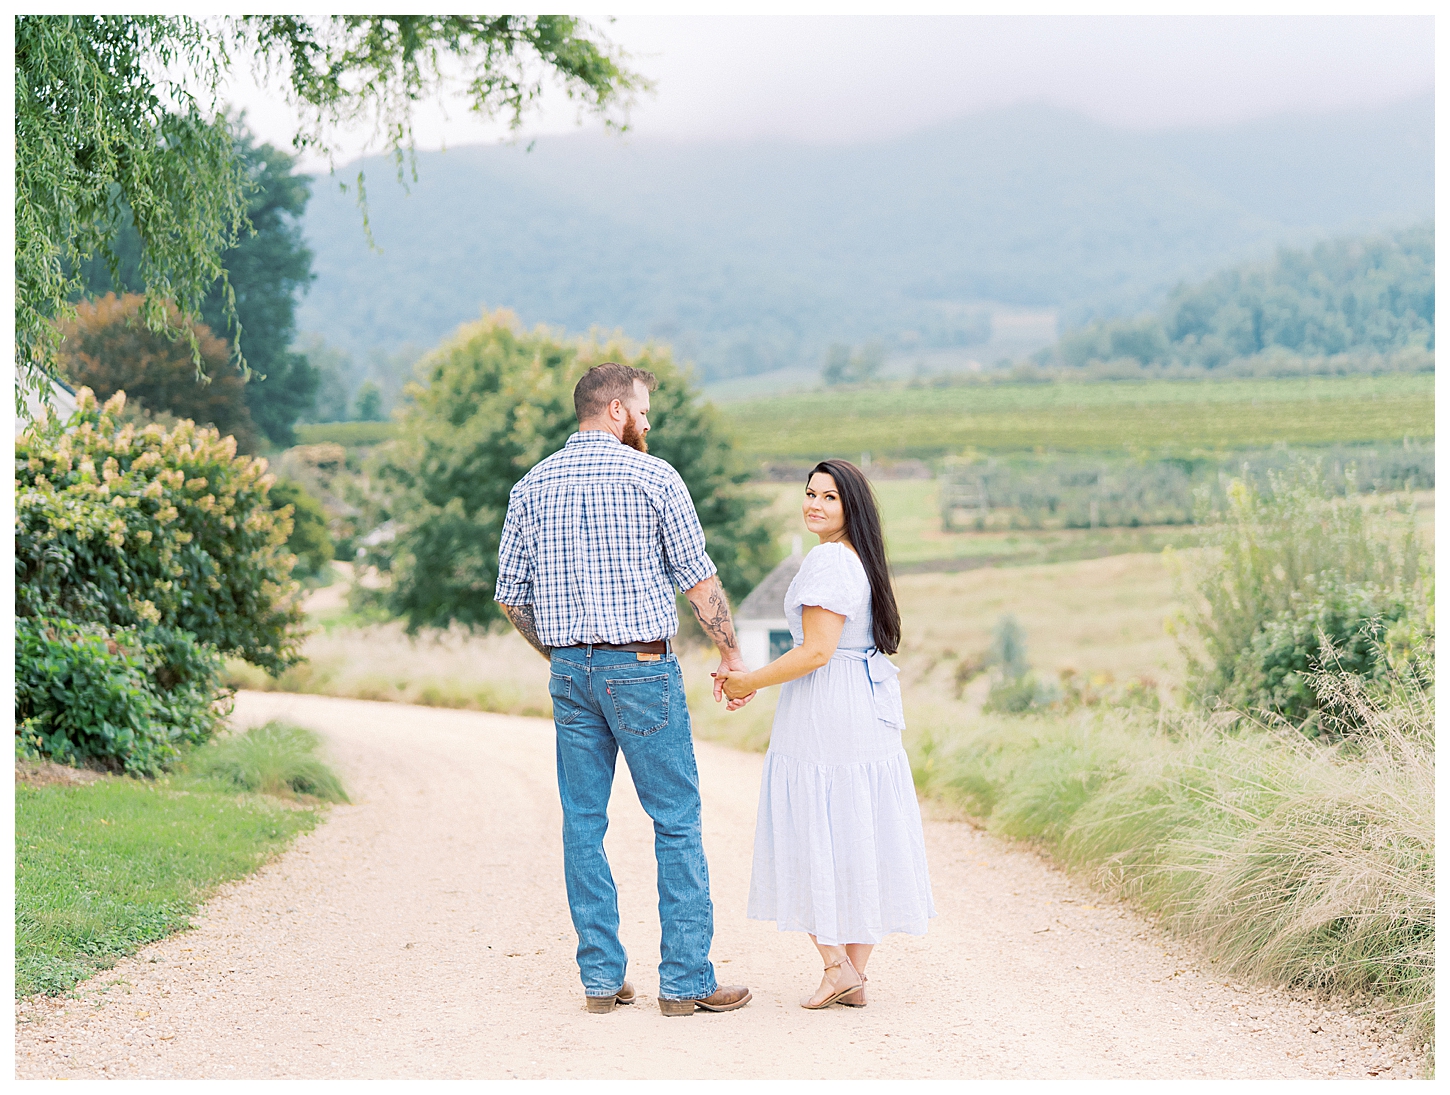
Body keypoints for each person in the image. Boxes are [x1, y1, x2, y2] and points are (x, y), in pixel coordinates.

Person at [494, 361, 754, 1017]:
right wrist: (731, 653)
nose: (647, 421)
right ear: (615, 409)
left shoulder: (530, 486)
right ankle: (686, 980)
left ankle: (602, 979)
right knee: (675, 819)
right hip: (640, 665)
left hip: (570, 673)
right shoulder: (654, 477)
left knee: (584, 823)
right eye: (642, 409)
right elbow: (699, 583)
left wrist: (560, 651)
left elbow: (510, 598)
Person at [716, 459, 935, 1009]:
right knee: (858, 828)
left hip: (827, 709)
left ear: (849, 507)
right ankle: (853, 975)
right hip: (863, 705)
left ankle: (838, 965)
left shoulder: (828, 559)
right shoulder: (860, 560)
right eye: (810, 493)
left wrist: (749, 680)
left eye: (829, 497)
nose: (814, 504)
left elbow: (816, 651)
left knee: (813, 825)